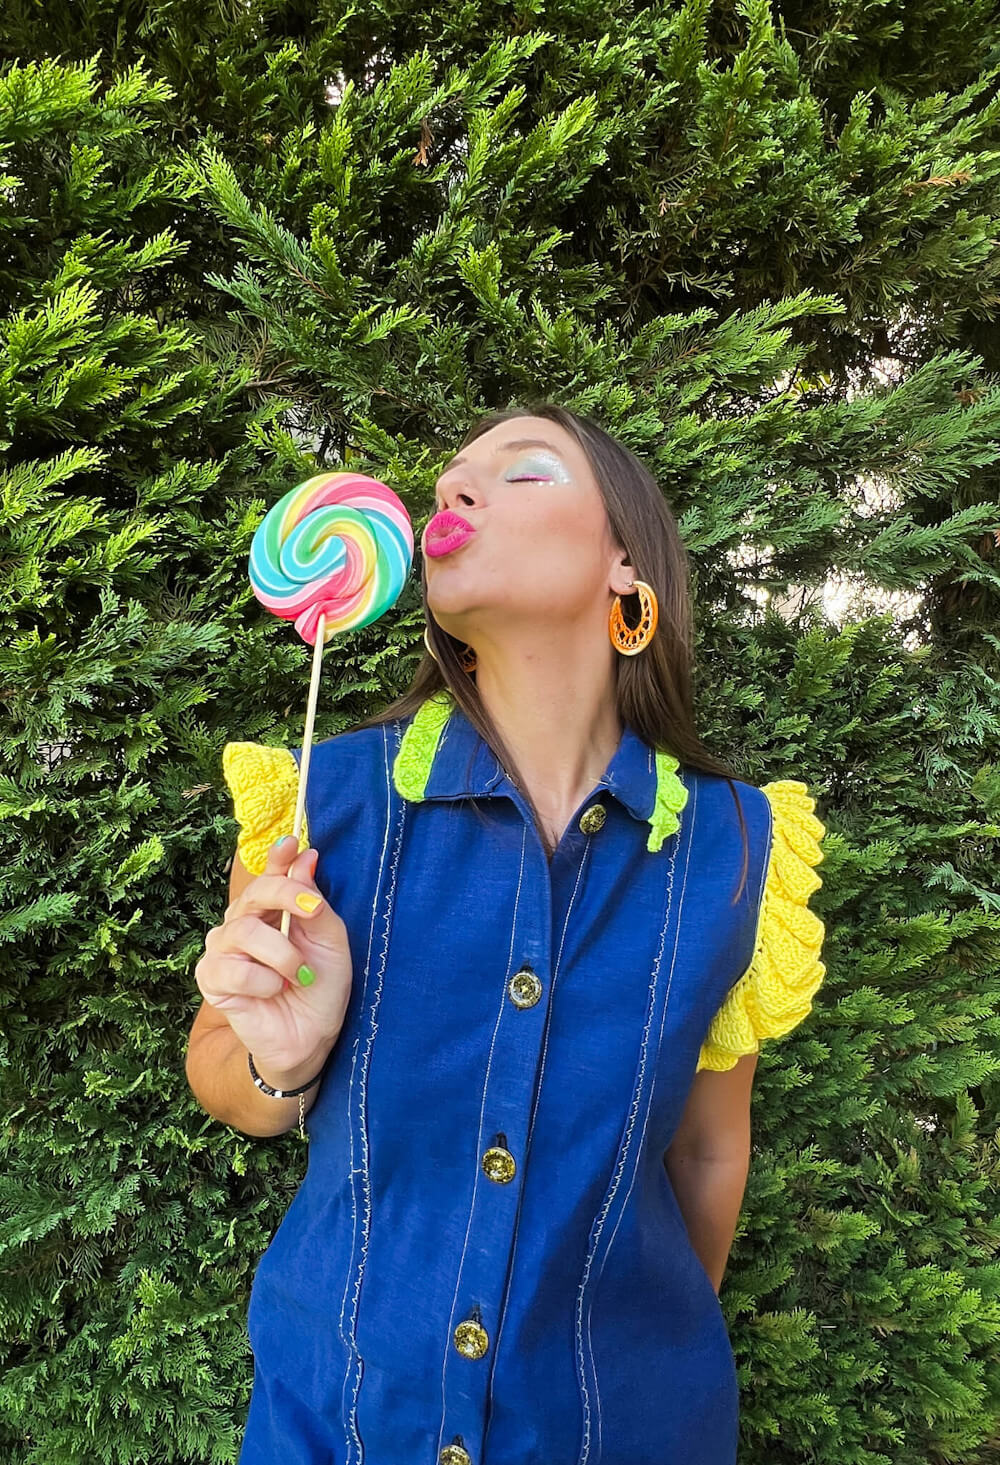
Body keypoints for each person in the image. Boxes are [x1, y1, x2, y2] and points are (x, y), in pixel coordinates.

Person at [186, 400, 828, 1465]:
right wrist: (283, 1063)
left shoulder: (738, 850)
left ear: (628, 566)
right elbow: (222, 1069)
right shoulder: (317, 807)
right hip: (331, 1427)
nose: (453, 486)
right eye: (451, 478)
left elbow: (710, 1145)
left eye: (524, 470)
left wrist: (632, 1359)